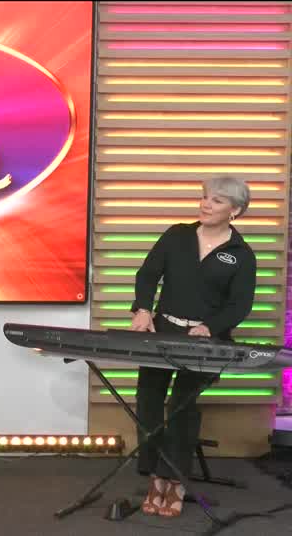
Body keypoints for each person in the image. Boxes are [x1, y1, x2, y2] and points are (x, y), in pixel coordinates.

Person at [129, 176, 256, 518]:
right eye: (204, 197)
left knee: (181, 407)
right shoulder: (177, 235)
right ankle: (154, 476)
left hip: (205, 340)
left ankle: (175, 481)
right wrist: (143, 310)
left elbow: (240, 305)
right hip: (162, 330)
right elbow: (147, 274)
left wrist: (210, 327)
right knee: (148, 400)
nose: (205, 204)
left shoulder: (242, 254)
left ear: (235, 210)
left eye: (216, 200)